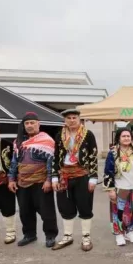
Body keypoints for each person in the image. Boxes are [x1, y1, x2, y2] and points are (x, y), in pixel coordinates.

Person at [50, 108, 99, 251]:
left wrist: (93, 178)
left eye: (74, 118)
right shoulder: (60, 135)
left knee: (85, 206)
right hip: (64, 175)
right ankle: (67, 236)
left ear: (79, 119)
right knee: (65, 206)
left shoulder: (88, 135)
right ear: (65, 120)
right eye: (69, 118)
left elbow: (93, 157)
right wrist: (54, 177)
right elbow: (55, 156)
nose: (72, 120)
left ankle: (86, 237)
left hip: (82, 175)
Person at [8, 112, 58, 248]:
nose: (29, 126)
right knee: (25, 211)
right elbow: (14, 162)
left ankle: (50, 235)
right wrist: (11, 179)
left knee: (46, 211)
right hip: (22, 182)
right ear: (23, 125)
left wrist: (49, 180)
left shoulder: (47, 140)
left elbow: (51, 162)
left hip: (41, 182)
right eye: (27, 123)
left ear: (38, 124)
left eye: (32, 123)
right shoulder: (18, 142)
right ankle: (29, 234)